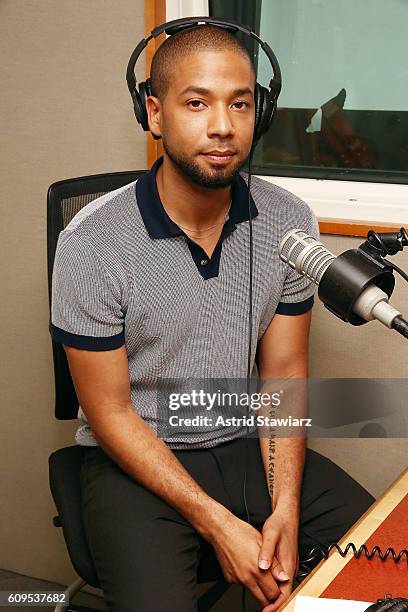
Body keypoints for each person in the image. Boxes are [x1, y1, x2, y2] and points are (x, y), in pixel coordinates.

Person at [50, 24, 375, 612]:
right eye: (196, 103)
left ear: (260, 114)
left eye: (241, 104)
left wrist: (285, 510)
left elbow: (283, 377)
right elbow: (111, 413)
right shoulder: (90, 242)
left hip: (247, 441)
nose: (223, 125)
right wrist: (217, 523)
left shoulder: (286, 221)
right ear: (154, 113)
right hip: (136, 460)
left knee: (385, 562)